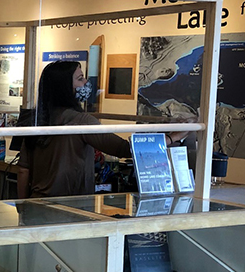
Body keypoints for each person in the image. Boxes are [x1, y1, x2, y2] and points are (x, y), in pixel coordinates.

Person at [17, 61, 186, 198]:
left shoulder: (36, 120)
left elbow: (24, 170)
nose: (86, 83)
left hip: (36, 202)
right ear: (65, 87)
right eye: (80, 78)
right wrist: (172, 137)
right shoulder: (82, 121)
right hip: (70, 205)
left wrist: (23, 207)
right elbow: (124, 149)